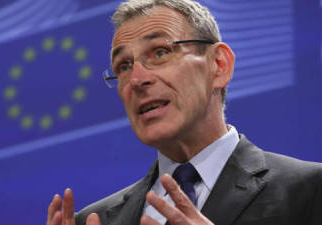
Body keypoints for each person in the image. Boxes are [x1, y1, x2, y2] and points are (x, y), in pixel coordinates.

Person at [46, 0, 322, 224]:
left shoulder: (309, 190)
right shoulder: (94, 220)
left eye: (160, 52)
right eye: (123, 66)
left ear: (219, 65)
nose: (137, 79)